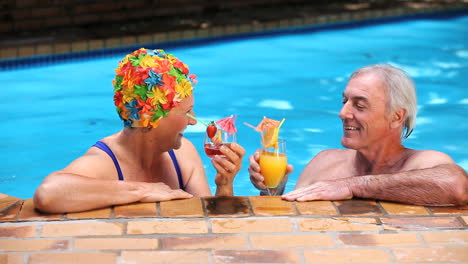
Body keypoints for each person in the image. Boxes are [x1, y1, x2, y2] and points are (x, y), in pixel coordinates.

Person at [34, 48, 245, 213]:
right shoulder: (105, 162)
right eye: (187, 112)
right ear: (149, 117)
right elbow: (48, 194)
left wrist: (224, 185)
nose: (192, 122)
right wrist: (143, 190)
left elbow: (211, 225)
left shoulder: (183, 154)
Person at [248, 63, 467, 206]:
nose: (343, 113)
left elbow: (457, 187)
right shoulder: (324, 162)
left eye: (359, 106)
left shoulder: (425, 163)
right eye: (345, 102)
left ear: (396, 117)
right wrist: (273, 190)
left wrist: (351, 185)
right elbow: (289, 225)